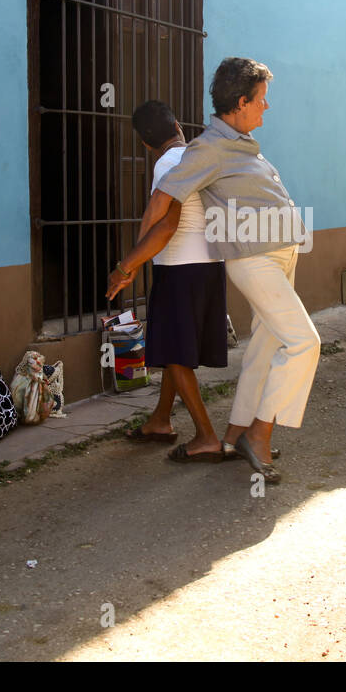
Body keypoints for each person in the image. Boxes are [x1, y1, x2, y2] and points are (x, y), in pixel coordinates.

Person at [106, 58, 318, 483]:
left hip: (277, 253)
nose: (266, 107)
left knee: (265, 347)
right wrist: (130, 264)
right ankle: (258, 435)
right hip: (254, 258)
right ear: (240, 102)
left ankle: (238, 430)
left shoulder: (238, 141)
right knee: (304, 343)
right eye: (261, 100)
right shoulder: (207, 147)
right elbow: (163, 200)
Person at [122, 101, 230, 462]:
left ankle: (207, 436)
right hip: (209, 264)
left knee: (177, 356)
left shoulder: (167, 163)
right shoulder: (197, 156)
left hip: (179, 268)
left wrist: (129, 264)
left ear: (144, 143)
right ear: (178, 126)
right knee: (176, 350)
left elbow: (166, 222)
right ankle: (160, 420)